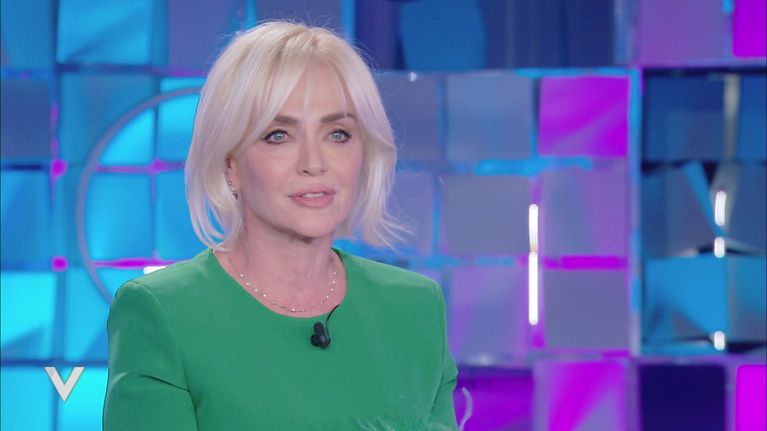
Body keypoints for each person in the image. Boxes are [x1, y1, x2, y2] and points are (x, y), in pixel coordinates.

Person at [102, 21, 458, 430]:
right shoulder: (162, 312)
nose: (314, 163)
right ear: (230, 164)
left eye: (337, 134)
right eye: (278, 135)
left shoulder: (415, 307)